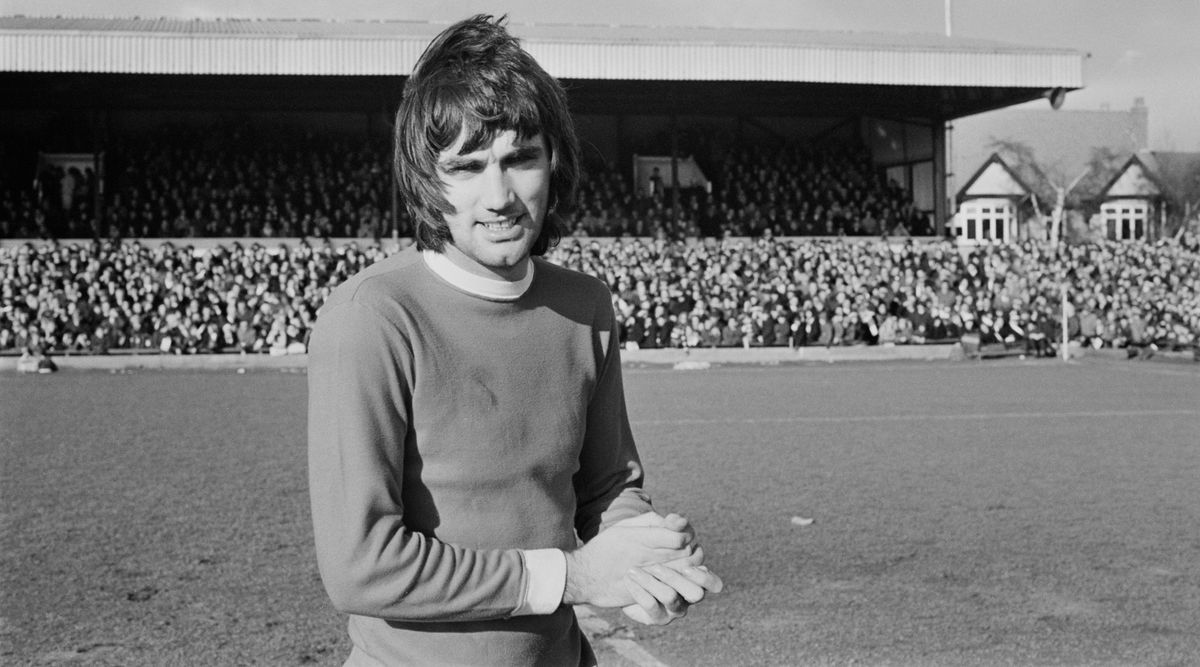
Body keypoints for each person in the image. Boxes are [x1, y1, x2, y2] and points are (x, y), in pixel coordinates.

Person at [306, 15, 722, 667]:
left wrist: (645, 551)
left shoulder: (585, 306)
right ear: (426, 179)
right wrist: (576, 576)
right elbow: (361, 565)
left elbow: (605, 486)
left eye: (518, 159)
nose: (498, 196)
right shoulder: (370, 317)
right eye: (467, 166)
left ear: (553, 160)